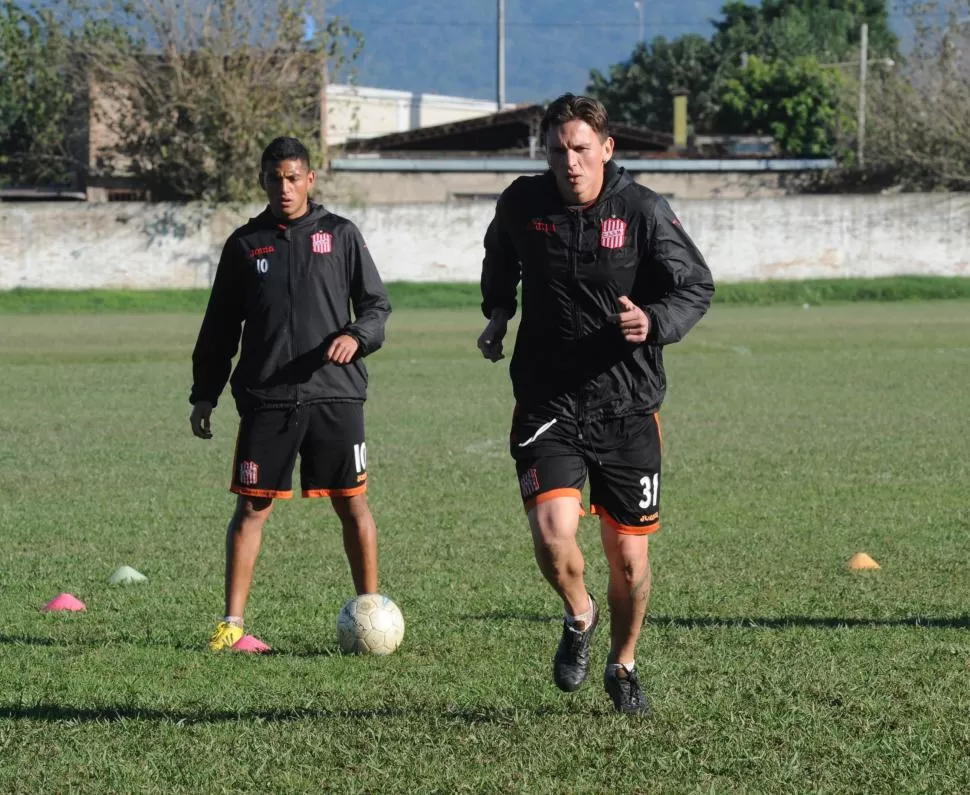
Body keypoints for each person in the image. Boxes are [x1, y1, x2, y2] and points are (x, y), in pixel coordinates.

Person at [477, 94, 714, 714]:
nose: (570, 163)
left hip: (627, 406)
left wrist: (655, 319)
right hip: (547, 400)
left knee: (630, 563)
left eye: (582, 149)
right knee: (555, 538)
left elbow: (696, 284)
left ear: (607, 150)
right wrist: (498, 313)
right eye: (559, 151)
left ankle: (624, 662)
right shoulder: (522, 204)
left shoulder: (642, 211)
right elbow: (499, 256)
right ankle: (579, 615)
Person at [189, 136, 391, 652]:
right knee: (252, 508)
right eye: (276, 178)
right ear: (263, 180)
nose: (285, 187)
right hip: (268, 398)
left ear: (310, 179)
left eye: (294, 177)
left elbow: (376, 307)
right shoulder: (244, 244)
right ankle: (231, 624)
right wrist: (204, 393)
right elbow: (218, 328)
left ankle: (372, 612)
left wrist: (356, 336)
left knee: (353, 504)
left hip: (335, 396)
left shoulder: (341, 235)